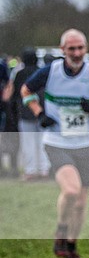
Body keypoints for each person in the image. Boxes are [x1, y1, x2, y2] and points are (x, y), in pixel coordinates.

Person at [21, 29, 89, 258]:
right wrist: (39, 113)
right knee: (70, 191)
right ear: (62, 50)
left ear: (86, 48)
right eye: (72, 49)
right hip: (57, 141)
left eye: (81, 48)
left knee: (81, 202)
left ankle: (71, 245)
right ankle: (61, 228)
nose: (77, 53)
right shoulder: (50, 71)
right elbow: (26, 91)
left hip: (86, 144)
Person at [5, 48, 49, 180]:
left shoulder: (19, 73)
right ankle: (44, 169)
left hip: (24, 113)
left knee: (28, 143)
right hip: (42, 112)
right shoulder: (41, 72)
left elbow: (13, 95)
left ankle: (30, 170)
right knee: (42, 142)